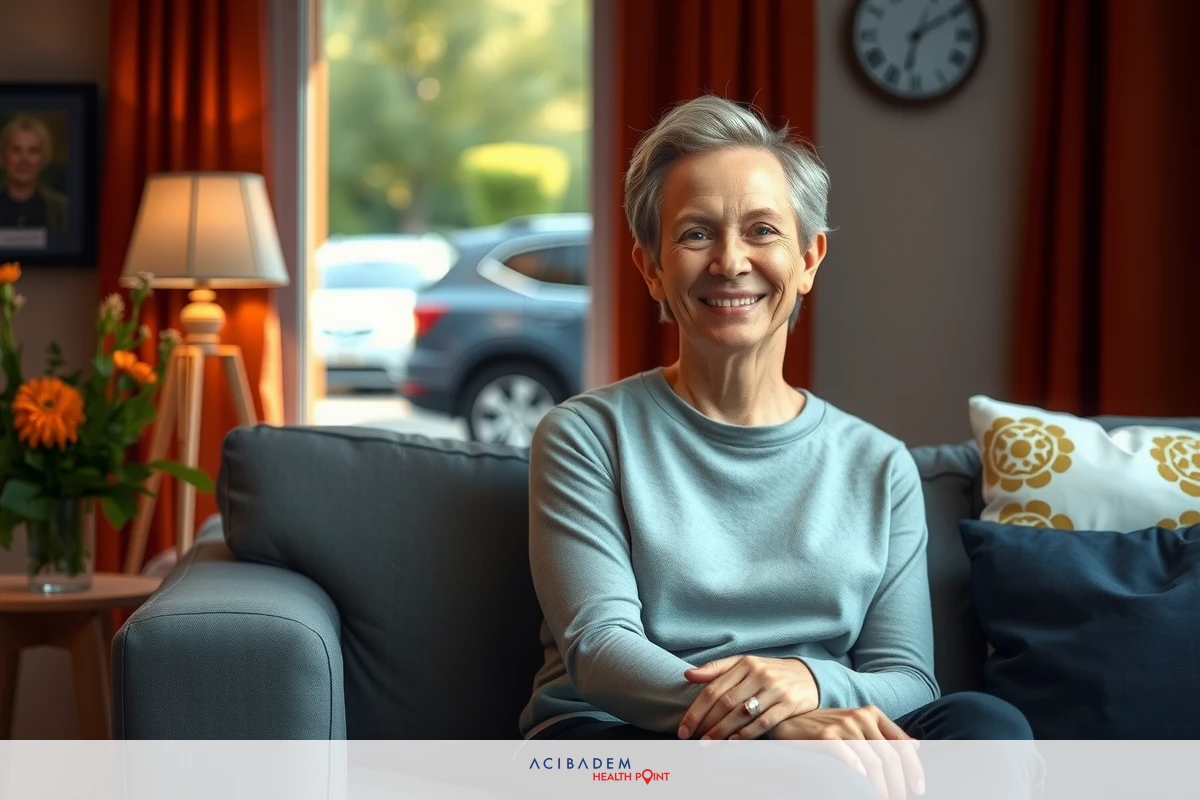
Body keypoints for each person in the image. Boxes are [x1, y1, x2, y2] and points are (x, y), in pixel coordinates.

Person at [518, 96, 1040, 797]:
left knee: (987, 727)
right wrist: (767, 726)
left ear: (808, 258)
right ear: (651, 269)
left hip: (813, 735)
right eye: (696, 234)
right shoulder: (585, 437)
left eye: (762, 230)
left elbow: (909, 678)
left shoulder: (880, 466)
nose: (731, 261)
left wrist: (810, 684)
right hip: (614, 746)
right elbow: (601, 652)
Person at [0, 115, 69, 234]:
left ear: (44, 159)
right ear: (3, 157)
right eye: (16, 150)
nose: (24, 159)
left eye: (33, 151)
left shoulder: (62, 208)